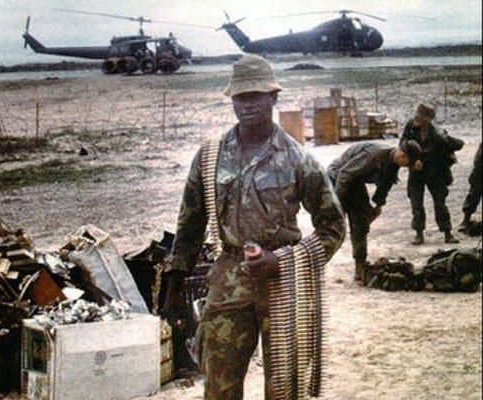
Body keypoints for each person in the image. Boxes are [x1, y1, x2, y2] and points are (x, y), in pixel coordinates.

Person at [162, 54, 346, 400]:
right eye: (240, 96)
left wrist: (284, 261)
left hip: (283, 282)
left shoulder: (297, 158)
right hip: (229, 277)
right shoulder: (210, 155)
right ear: (232, 99)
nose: (247, 104)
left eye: (256, 95)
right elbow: (190, 221)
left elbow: (333, 227)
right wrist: (174, 280)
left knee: (284, 387)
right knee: (219, 384)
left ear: (273, 98)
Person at [327, 140, 422, 282]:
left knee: (361, 223)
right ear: (402, 155)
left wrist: (378, 205)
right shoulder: (374, 154)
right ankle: (316, 264)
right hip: (338, 178)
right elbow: (345, 174)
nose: (406, 167)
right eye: (408, 163)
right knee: (333, 226)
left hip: (355, 181)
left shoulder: (394, 162)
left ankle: (359, 266)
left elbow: (385, 183)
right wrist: (338, 204)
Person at [400, 102, 464, 245]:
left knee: (440, 203)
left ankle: (447, 232)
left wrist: (448, 148)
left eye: (420, 117)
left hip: (434, 172)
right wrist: (413, 161)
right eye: (416, 115)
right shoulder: (410, 127)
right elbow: (402, 144)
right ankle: (418, 233)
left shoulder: (438, 134)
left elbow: (459, 144)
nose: (416, 118)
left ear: (427, 120)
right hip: (415, 173)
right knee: (416, 203)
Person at [459, 142, 482, 232]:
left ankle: (466, 220)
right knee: (473, 195)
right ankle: (466, 219)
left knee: (473, 195)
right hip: (480, 172)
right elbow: (478, 161)